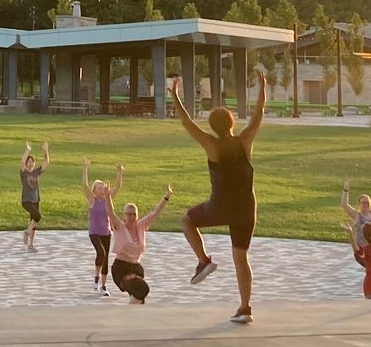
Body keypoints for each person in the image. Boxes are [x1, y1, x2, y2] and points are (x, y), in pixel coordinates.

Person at [170, 73, 265, 324]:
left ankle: (204, 260)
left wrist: (175, 96)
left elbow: (187, 123)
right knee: (241, 257)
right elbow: (258, 115)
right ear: (232, 122)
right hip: (246, 208)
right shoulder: (244, 142)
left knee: (187, 221)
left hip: (220, 206)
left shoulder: (212, 145)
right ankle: (245, 307)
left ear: (213, 126)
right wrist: (263, 87)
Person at [109, 185, 173, 303]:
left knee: (139, 297)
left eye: (134, 214)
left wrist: (167, 196)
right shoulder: (119, 227)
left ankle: (133, 316)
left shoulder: (141, 225)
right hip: (121, 268)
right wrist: (108, 197)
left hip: (136, 267)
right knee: (142, 289)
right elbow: (110, 213)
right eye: (129, 214)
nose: (131, 216)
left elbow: (155, 212)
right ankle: (128, 314)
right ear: (124, 215)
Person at [81, 158, 123, 294]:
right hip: (94, 232)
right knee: (101, 253)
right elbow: (84, 184)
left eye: (102, 188)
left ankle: (103, 286)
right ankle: (96, 278)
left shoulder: (107, 200)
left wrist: (120, 172)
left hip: (106, 232)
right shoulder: (92, 199)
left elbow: (117, 187)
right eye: (99, 188)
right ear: (94, 190)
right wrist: (85, 167)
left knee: (105, 259)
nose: (101, 190)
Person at [19, 141, 50, 251]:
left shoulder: (36, 172)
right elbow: (21, 163)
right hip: (26, 201)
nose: (31, 163)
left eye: (32, 162)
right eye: (29, 162)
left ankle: (31, 245)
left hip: (36, 199)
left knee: (34, 221)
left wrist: (45, 151)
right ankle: (27, 232)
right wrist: (28, 150)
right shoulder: (24, 173)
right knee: (38, 216)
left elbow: (46, 162)